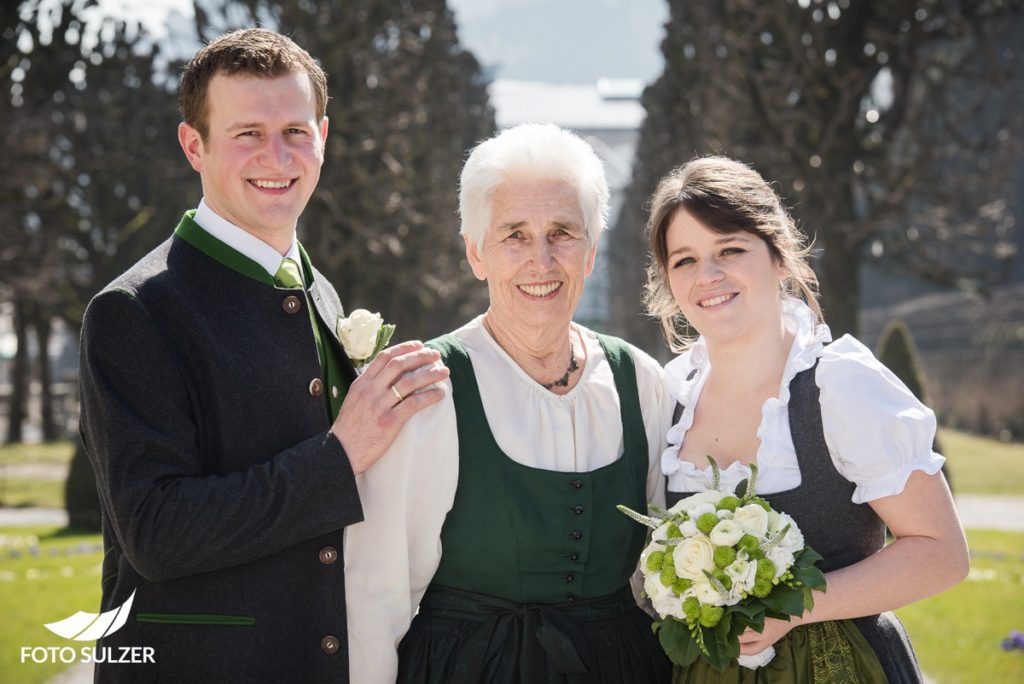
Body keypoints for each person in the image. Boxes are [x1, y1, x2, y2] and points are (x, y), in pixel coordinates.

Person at [78, 28, 448, 683]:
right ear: (195, 145)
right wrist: (339, 456)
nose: (276, 156)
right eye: (247, 132)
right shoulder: (133, 311)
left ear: (323, 138)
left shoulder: (321, 293)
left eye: (296, 132)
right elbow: (158, 533)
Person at [343, 123, 673, 683]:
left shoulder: (638, 379)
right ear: (476, 254)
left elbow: (659, 574)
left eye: (563, 232)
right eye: (513, 235)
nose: (541, 260)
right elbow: (377, 595)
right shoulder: (430, 390)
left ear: (591, 253)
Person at [645, 156, 969, 682]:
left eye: (730, 249)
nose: (708, 276)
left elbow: (942, 553)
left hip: (839, 666)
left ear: (779, 257)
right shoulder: (667, 394)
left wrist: (794, 607)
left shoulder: (840, 385)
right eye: (684, 260)